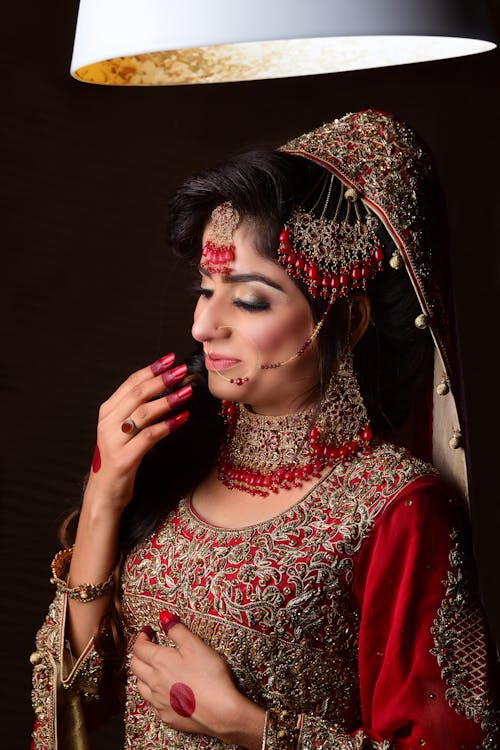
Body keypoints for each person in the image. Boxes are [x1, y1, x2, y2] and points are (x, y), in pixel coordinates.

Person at [30, 109, 499, 750]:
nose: (203, 327)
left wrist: (248, 725)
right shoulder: (179, 455)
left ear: (350, 321)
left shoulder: (393, 507)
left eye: (249, 300)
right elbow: (83, 698)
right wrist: (104, 496)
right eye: (204, 290)